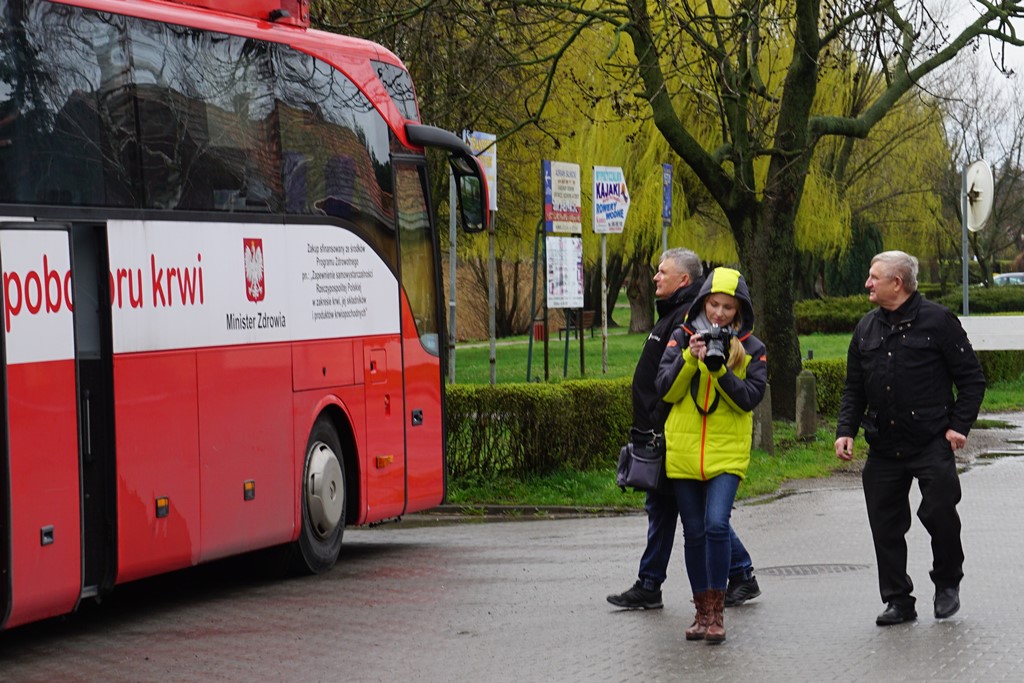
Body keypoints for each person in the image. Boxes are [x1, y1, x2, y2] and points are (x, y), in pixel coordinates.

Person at [835, 251, 985, 626]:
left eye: (874, 277)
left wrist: (959, 426)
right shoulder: (866, 328)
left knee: (940, 515)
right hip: (884, 445)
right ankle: (898, 600)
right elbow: (854, 388)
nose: (867, 283)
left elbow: (972, 379)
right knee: (885, 526)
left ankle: (948, 582)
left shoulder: (938, 321)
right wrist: (845, 431)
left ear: (896, 283)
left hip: (931, 441)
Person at [607, 251, 761, 612]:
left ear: (685, 282)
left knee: (701, 518)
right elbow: (663, 380)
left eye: (663, 272)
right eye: (714, 306)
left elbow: (742, 396)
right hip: (668, 436)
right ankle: (727, 578)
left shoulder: (690, 324)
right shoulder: (676, 323)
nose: (655, 277)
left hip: (676, 437)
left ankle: (663, 584)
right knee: (682, 514)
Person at [655, 267, 767, 643]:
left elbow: (750, 399)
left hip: (726, 455)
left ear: (740, 311)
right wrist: (690, 358)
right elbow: (665, 391)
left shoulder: (752, 348)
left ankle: (718, 613)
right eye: (714, 304)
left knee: (717, 524)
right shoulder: (682, 337)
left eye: (728, 308)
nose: (719, 314)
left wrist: (719, 371)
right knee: (695, 532)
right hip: (684, 452)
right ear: (704, 302)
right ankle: (701, 613)